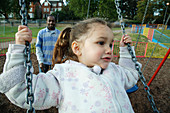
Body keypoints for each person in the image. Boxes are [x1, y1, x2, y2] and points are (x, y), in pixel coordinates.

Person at [0, 18, 141, 113]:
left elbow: (131, 74)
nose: (109, 49)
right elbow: (23, 90)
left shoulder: (114, 70)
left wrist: (126, 51)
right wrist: (19, 49)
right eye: (101, 43)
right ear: (77, 48)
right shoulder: (63, 77)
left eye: (110, 44)